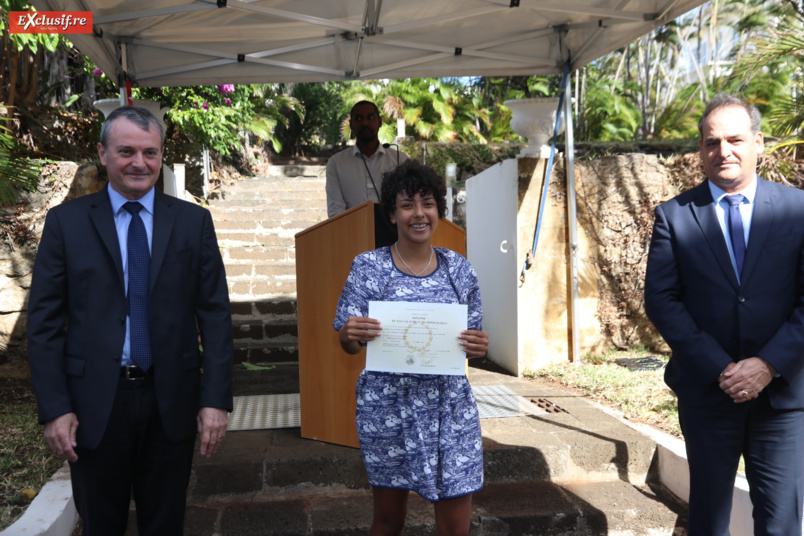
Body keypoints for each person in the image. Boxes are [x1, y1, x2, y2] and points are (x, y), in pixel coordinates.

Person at [27, 106, 233, 536]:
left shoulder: (193, 223)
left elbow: (214, 315)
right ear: (102, 154)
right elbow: (44, 323)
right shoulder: (66, 223)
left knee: (165, 525)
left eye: (150, 153)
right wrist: (55, 408)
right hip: (93, 406)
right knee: (101, 525)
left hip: (170, 402)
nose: (139, 163)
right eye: (126, 151)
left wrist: (215, 400)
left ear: (161, 155)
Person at [644, 93, 804, 535]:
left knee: (781, 521)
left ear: (758, 142)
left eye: (734, 139)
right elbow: (661, 300)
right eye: (712, 142)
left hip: (783, 398)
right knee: (710, 520)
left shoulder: (799, 210)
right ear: (701, 150)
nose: (723, 151)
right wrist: (722, 370)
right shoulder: (674, 216)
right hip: (707, 396)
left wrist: (768, 365)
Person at [334, 160, 489, 536]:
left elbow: (473, 344)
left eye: (428, 203)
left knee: (455, 527)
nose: (419, 214)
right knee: (388, 521)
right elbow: (348, 343)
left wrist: (478, 346)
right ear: (392, 214)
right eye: (407, 205)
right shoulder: (368, 267)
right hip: (388, 407)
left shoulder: (460, 269)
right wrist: (350, 332)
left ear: (439, 210)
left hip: (449, 409)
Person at [326, 100, 408, 218]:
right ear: (351, 124)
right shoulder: (336, 163)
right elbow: (335, 210)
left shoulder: (400, 160)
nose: (365, 123)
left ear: (379, 121)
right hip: (351, 232)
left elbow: (407, 203)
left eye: (370, 117)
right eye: (358, 119)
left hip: (393, 233)